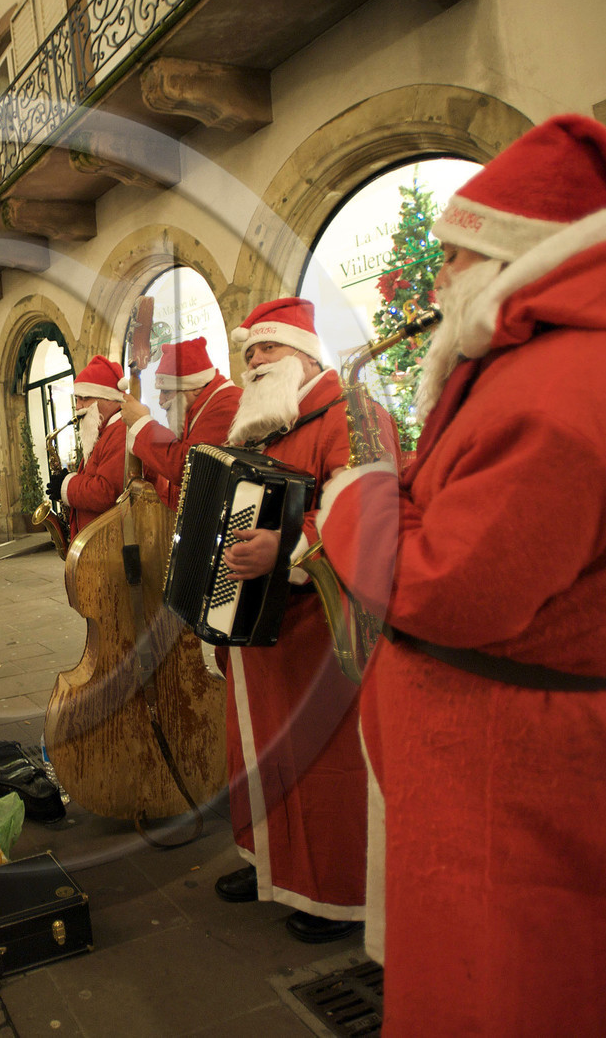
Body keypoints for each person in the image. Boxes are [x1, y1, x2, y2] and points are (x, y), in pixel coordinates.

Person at [309, 116, 606, 1035]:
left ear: (521, 255)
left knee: (501, 998)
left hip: (510, 782)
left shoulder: (571, 391)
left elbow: (445, 586)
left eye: (454, 254)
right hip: (543, 757)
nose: (438, 279)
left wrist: (358, 497)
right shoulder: (582, 358)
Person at [212, 298, 394, 945]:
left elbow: (369, 504)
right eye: (249, 352)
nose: (254, 360)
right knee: (261, 753)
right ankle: (270, 864)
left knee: (323, 765)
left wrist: (285, 549)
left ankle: (334, 891)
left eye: (266, 348)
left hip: (320, 626)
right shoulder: (264, 425)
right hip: (257, 629)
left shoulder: (353, 412)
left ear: (304, 352)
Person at [118, 337, 242, 510]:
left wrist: (142, 423)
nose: (161, 401)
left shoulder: (227, 405)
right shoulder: (194, 410)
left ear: (196, 387)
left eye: (167, 392)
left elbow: (187, 468)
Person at [44, 355, 128, 542]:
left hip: (110, 542)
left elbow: (107, 492)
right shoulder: (104, 431)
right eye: (77, 399)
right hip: (99, 539)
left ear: (108, 398)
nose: (79, 407)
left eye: (85, 399)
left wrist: (67, 485)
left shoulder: (120, 431)